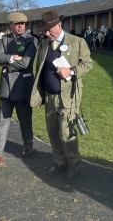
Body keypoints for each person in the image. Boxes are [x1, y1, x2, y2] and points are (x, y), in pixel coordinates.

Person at [30, 10, 93, 179]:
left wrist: (71, 71)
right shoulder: (44, 45)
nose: (46, 33)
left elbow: (88, 64)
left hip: (69, 96)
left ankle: (74, 162)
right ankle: (60, 161)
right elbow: (40, 70)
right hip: (50, 96)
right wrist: (40, 94)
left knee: (66, 131)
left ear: (59, 25)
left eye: (49, 29)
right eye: (44, 30)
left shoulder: (77, 42)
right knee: (52, 130)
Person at [0, 12, 37, 164]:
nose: (20, 26)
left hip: (22, 86)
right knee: (2, 120)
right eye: (17, 23)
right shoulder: (5, 39)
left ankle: (29, 144)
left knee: (24, 119)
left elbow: (26, 63)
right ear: (10, 25)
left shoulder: (31, 40)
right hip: (6, 87)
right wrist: (11, 58)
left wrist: (7, 66)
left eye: (23, 23)